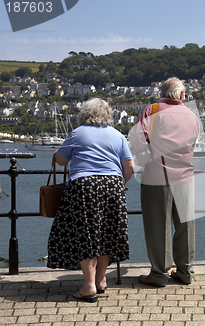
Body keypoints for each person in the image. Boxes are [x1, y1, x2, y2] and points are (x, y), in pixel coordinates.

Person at [47, 98, 135, 303]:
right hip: (113, 184)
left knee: (86, 233)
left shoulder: (78, 133)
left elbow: (60, 160)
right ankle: (101, 280)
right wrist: (119, 183)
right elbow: (129, 166)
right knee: (106, 233)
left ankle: (88, 286)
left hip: (84, 186)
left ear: (85, 114)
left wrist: (56, 152)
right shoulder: (117, 135)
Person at [129, 77, 199, 286]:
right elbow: (193, 143)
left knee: (158, 226)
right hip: (186, 177)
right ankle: (185, 272)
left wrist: (145, 157)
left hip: (156, 176)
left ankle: (159, 274)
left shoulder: (153, 110)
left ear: (163, 92)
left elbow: (136, 141)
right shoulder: (191, 115)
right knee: (186, 225)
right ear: (181, 95)